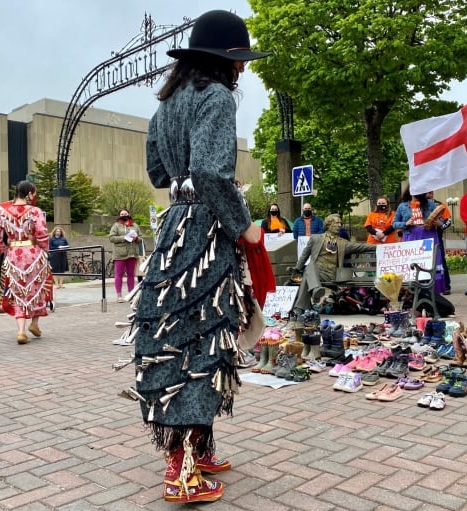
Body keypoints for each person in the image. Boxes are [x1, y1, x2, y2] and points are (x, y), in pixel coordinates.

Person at [137, 10, 269, 503]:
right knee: (204, 337)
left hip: (174, 227)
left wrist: (183, 174)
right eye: (239, 61)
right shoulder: (217, 98)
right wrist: (245, 226)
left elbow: (157, 172)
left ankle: (199, 446)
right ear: (224, 61)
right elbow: (212, 174)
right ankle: (183, 468)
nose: (243, 71)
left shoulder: (164, 107)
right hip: (207, 230)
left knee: (177, 333)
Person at [0, 180, 52, 343]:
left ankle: (21, 330)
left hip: (13, 255)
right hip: (33, 254)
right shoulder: (35, 211)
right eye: (34, 193)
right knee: (38, 287)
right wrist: (44, 248)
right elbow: (42, 233)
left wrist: (2, 249)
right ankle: (35, 323)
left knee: (17, 291)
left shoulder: (3, 212)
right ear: (29, 194)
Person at [292, 213, 375, 311]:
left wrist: (379, 246)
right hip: (317, 273)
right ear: (328, 225)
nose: (339, 225)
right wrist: (297, 268)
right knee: (309, 268)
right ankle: (314, 290)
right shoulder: (315, 238)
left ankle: (302, 305)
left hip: (332, 274)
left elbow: (361, 247)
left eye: (340, 223)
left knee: (307, 272)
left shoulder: (343, 242)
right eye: (336, 223)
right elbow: (304, 255)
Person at [392, 190, 447, 294]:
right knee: (412, 265)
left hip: (427, 236)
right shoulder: (402, 206)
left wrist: (438, 223)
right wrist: (405, 223)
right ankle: (412, 293)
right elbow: (394, 223)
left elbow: (442, 220)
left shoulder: (430, 204)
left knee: (429, 263)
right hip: (410, 237)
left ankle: (431, 293)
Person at [108, 209, 143, 303]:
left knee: (131, 274)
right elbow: (111, 238)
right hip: (120, 254)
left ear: (129, 214)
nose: (124, 215)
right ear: (119, 215)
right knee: (118, 274)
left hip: (132, 254)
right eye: (122, 214)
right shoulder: (116, 225)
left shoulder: (134, 225)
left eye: (125, 213)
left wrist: (136, 238)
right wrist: (124, 238)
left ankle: (131, 294)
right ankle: (119, 295)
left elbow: (140, 238)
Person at [426, 191, 453, 294]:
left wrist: (440, 225)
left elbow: (448, 221)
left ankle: (446, 286)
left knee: (441, 260)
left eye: (430, 192)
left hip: (437, 236)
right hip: (423, 237)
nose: (429, 195)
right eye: (427, 193)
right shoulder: (418, 205)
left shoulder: (440, 205)